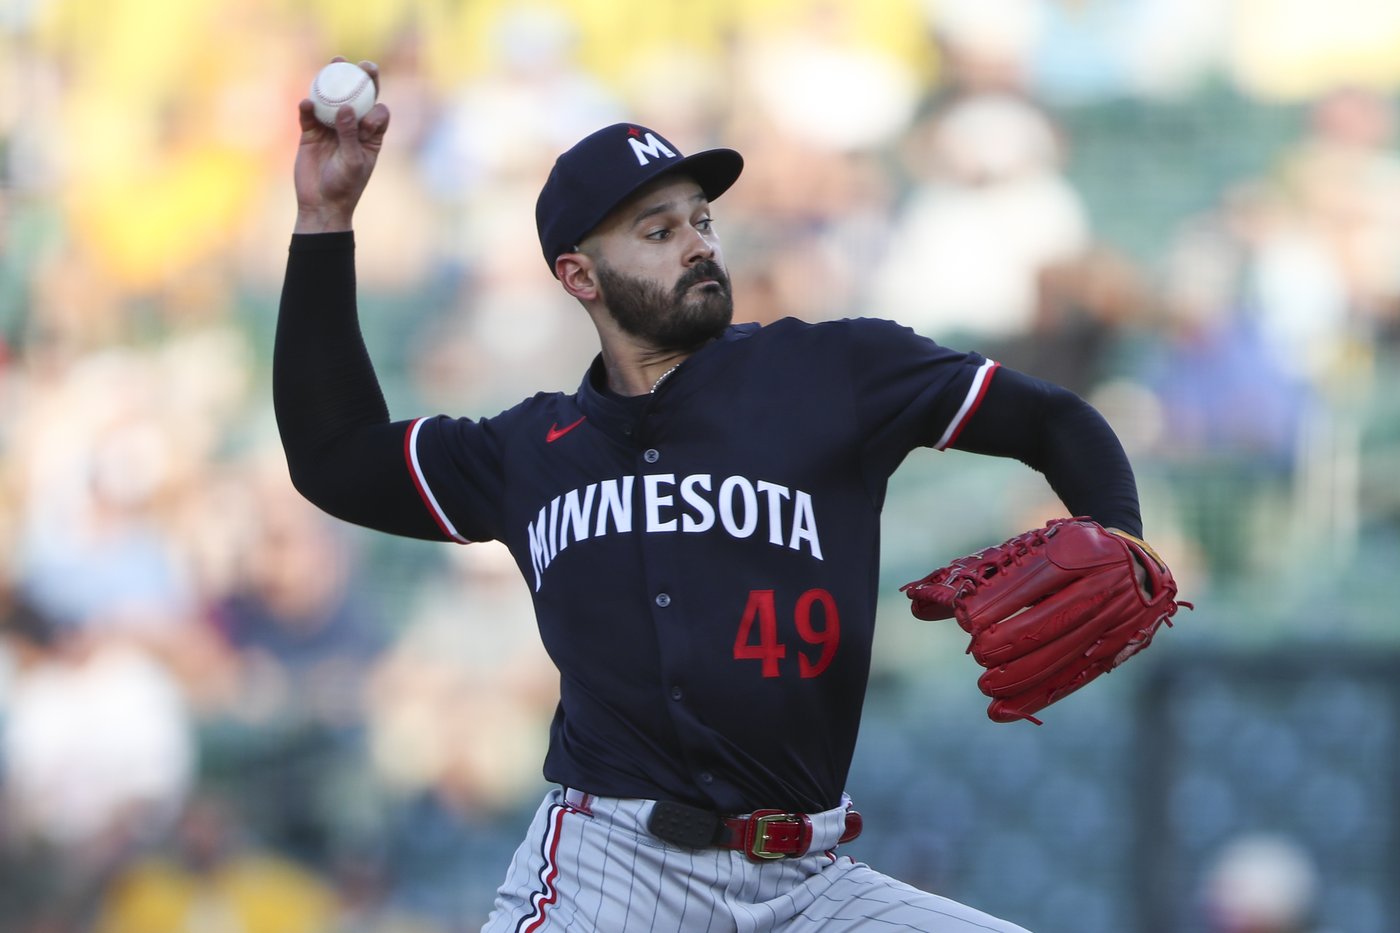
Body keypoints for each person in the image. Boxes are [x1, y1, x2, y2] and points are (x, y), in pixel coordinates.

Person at [276, 58, 1148, 933]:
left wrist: (1120, 531)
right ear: (580, 277)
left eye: (701, 219)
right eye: (656, 230)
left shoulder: (832, 370)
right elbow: (334, 455)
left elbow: (1054, 420)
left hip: (812, 883)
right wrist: (324, 220)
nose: (697, 242)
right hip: (611, 874)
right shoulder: (525, 451)